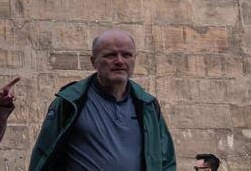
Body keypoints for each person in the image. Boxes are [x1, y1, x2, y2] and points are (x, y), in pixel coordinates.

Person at [24, 28, 176, 171]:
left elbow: (166, 160)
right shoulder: (70, 102)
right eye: (110, 55)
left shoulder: (147, 105)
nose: (119, 61)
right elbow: (43, 156)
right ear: (93, 61)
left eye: (126, 55)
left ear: (134, 59)